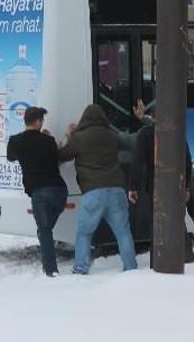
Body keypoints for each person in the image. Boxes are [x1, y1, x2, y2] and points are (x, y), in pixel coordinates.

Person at [128, 110, 194, 267]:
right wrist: (186, 187)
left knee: (176, 222)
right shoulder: (176, 132)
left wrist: (133, 186)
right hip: (190, 175)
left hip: (169, 182)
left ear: (153, 118)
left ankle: (189, 259)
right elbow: (187, 158)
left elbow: (138, 161)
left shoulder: (146, 134)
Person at [58, 104, 137, 275]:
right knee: (123, 231)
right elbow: (131, 144)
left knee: (85, 233)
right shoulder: (112, 135)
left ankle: (80, 267)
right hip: (116, 189)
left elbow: (63, 155)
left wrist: (68, 137)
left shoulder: (78, 138)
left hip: (93, 191)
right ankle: (131, 267)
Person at [7, 107, 68, 277]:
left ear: (25, 121)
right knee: (45, 229)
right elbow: (57, 159)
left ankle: (51, 269)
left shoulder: (15, 141)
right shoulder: (48, 141)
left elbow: (10, 157)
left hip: (39, 192)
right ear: (39, 122)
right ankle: (48, 266)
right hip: (60, 191)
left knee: (45, 230)